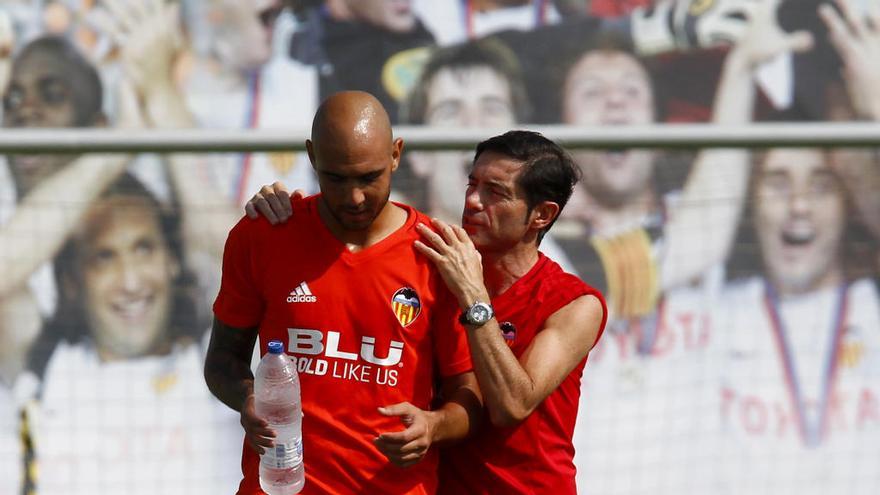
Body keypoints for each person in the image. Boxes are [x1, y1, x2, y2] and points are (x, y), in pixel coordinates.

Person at [246, 129, 607, 493]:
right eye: (472, 183)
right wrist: (278, 205)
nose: (473, 201)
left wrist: (473, 296)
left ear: (542, 215)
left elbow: (512, 405)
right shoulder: (432, 262)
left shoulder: (575, 304)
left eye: (495, 192)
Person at [205, 91, 481, 494]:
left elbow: (470, 397)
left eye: (369, 178)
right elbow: (222, 362)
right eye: (336, 178)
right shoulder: (262, 236)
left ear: (396, 155)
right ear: (312, 156)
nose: (354, 198)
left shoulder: (436, 254)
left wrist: (434, 426)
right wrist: (249, 398)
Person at [28, 174, 243, 495]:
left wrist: (157, 136)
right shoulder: (45, 361)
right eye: (104, 257)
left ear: (172, 260)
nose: (130, 281)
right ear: (74, 280)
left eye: (143, 249)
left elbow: (264, 268)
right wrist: (114, 147)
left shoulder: (223, 359)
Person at [401, 37, 579, 275]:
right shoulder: (391, 258)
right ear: (419, 155)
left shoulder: (553, 272)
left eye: (492, 108)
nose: (474, 126)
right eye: (450, 111)